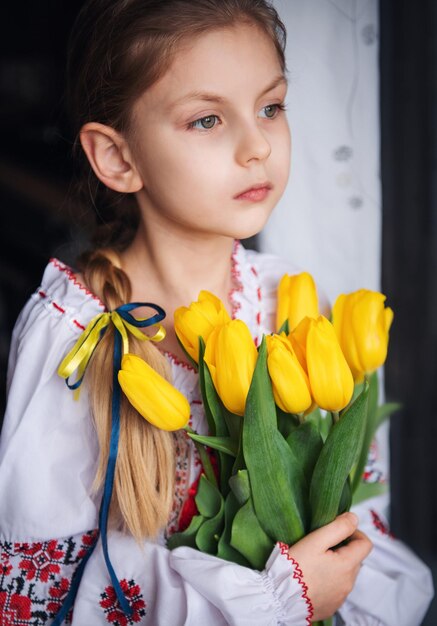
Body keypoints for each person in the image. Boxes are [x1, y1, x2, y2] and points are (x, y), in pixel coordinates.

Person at [0, 1, 433, 624]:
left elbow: (355, 514)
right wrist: (276, 600)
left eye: (271, 107)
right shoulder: (74, 336)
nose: (257, 146)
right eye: (206, 119)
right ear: (118, 158)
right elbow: (47, 599)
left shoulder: (296, 307)